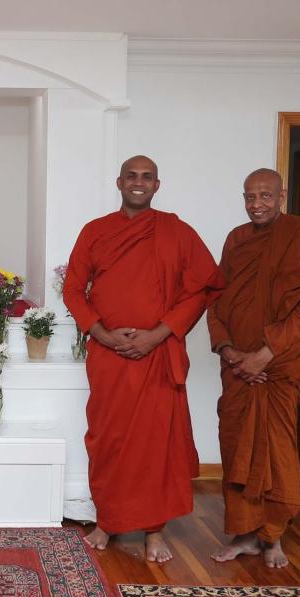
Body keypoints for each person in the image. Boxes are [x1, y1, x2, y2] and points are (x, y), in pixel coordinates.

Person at [63, 155, 223, 562]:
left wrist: (157, 334)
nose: (138, 182)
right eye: (131, 176)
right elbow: (72, 290)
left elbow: (203, 288)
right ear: (119, 182)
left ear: (157, 185)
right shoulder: (95, 232)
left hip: (158, 353)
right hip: (109, 354)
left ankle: (154, 530)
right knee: (108, 438)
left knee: (156, 444)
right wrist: (102, 333)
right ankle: (108, 520)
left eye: (146, 177)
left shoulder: (176, 232)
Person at [209, 168, 300, 569]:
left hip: (280, 364)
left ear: (282, 195)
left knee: (276, 449)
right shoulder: (237, 239)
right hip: (237, 366)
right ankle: (245, 533)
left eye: (265, 196)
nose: (257, 204)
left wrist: (265, 354)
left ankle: (273, 537)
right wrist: (229, 349)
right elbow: (217, 297)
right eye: (250, 197)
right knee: (236, 446)